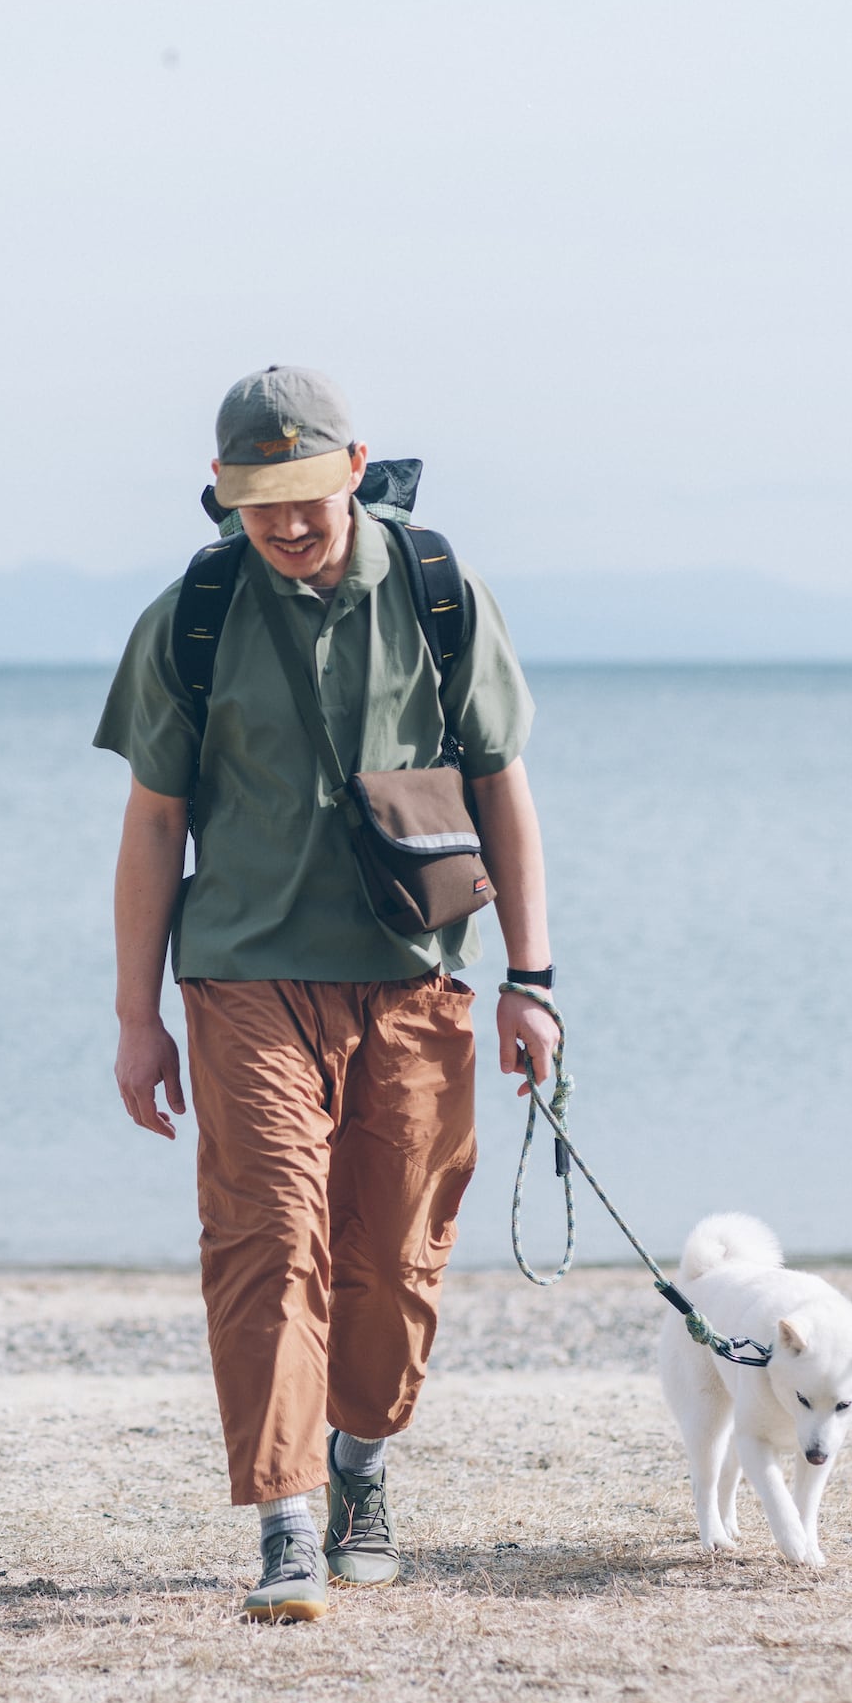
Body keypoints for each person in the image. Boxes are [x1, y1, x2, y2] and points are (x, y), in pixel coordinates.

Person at [95, 367, 559, 1623]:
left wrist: (530, 978)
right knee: (267, 1241)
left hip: (414, 980)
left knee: (396, 1254)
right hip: (242, 977)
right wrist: (137, 1018)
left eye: (306, 496)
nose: (287, 525)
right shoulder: (190, 616)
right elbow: (152, 823)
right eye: (259, 506)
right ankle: (286, 1521)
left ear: (355, 468)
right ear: (223, 499)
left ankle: (360, 1461)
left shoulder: (440, 596)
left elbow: (502, 786)